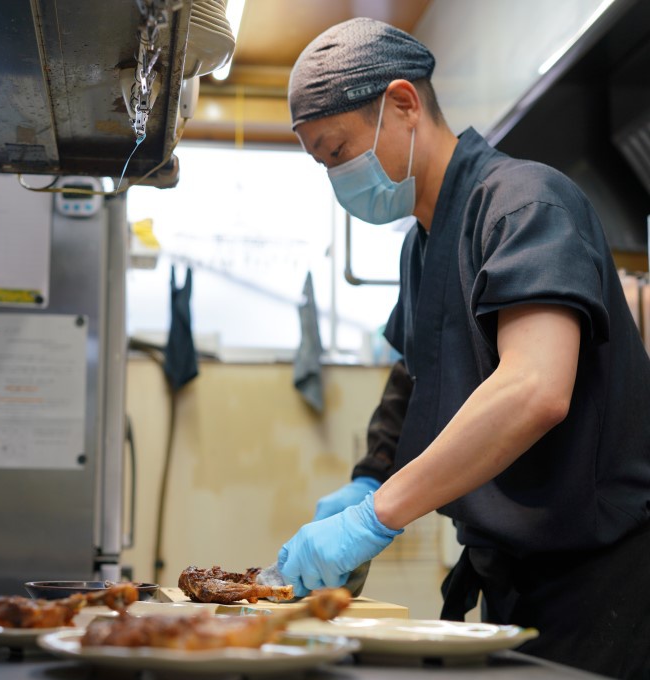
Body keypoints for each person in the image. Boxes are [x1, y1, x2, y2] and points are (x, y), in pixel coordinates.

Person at [273, 17, 650, 679]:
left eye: (337, 151)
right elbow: (418, 374)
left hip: (604, 579)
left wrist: (376, 515)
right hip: (512, 576)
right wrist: (369, 474)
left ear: (403, 104)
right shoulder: (425, 243)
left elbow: (535, 388)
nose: (335, 176)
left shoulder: (525, 204)